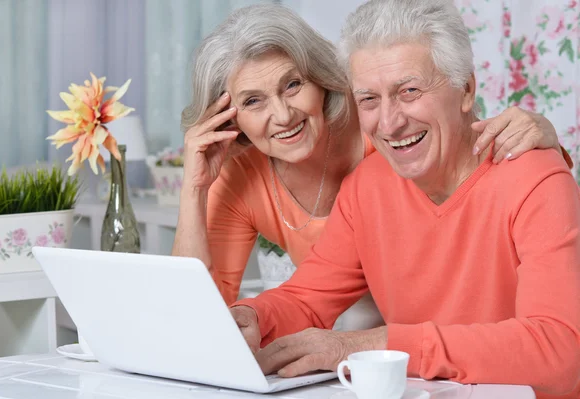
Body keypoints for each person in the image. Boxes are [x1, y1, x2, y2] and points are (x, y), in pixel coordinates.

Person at [228, 1, 580, 398]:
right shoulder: (367, 186)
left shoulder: (536, 177)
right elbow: (306, 299)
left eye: (409, 91)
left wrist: (373, 344)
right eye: (369, 100)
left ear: (465, 88)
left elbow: (559, 350)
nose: (390, 122)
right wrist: (251, 316)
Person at [173, 4, 570, 314]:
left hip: (409, 339)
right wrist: (193, 191)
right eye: (253, 101)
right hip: (362, 342)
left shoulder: (383, 129)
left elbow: (463, 147)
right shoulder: (243, 177)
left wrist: (544, 151)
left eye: (293, 85)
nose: (283, 115)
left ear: (320, 80)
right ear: (230, 118)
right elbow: (203, 309)